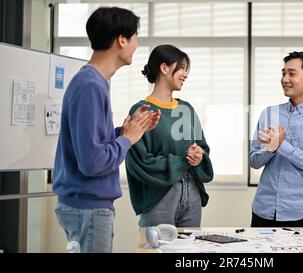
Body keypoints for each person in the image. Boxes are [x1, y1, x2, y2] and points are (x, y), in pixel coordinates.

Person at [53, 7, 161, 253]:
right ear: (122, 39)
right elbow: (92, 162)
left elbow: (91, 143)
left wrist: (126, 130)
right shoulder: (90, 86)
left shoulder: (94, 82)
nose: (136, 44)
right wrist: (127, 139)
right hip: (89, 208)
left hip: (86, 206)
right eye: (135, 37)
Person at [125, 44, 214, 228]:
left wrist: (198, 157)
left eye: (186, 69)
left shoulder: (186, 109)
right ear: (164, 68)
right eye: (181, 67)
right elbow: (140, 162)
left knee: (189, 252)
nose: (185, 74)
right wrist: (183, 160)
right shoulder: (142, 110)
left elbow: (202, 148)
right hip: (159, 197)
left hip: (192, 195)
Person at [249, 51, 303, 227]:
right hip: (263, 209)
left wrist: (282, 145)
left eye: (291, 73)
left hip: (301, 212)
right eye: (283, 73)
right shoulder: (270, 113)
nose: (284, 79)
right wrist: (271, 149)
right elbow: (254, 161)